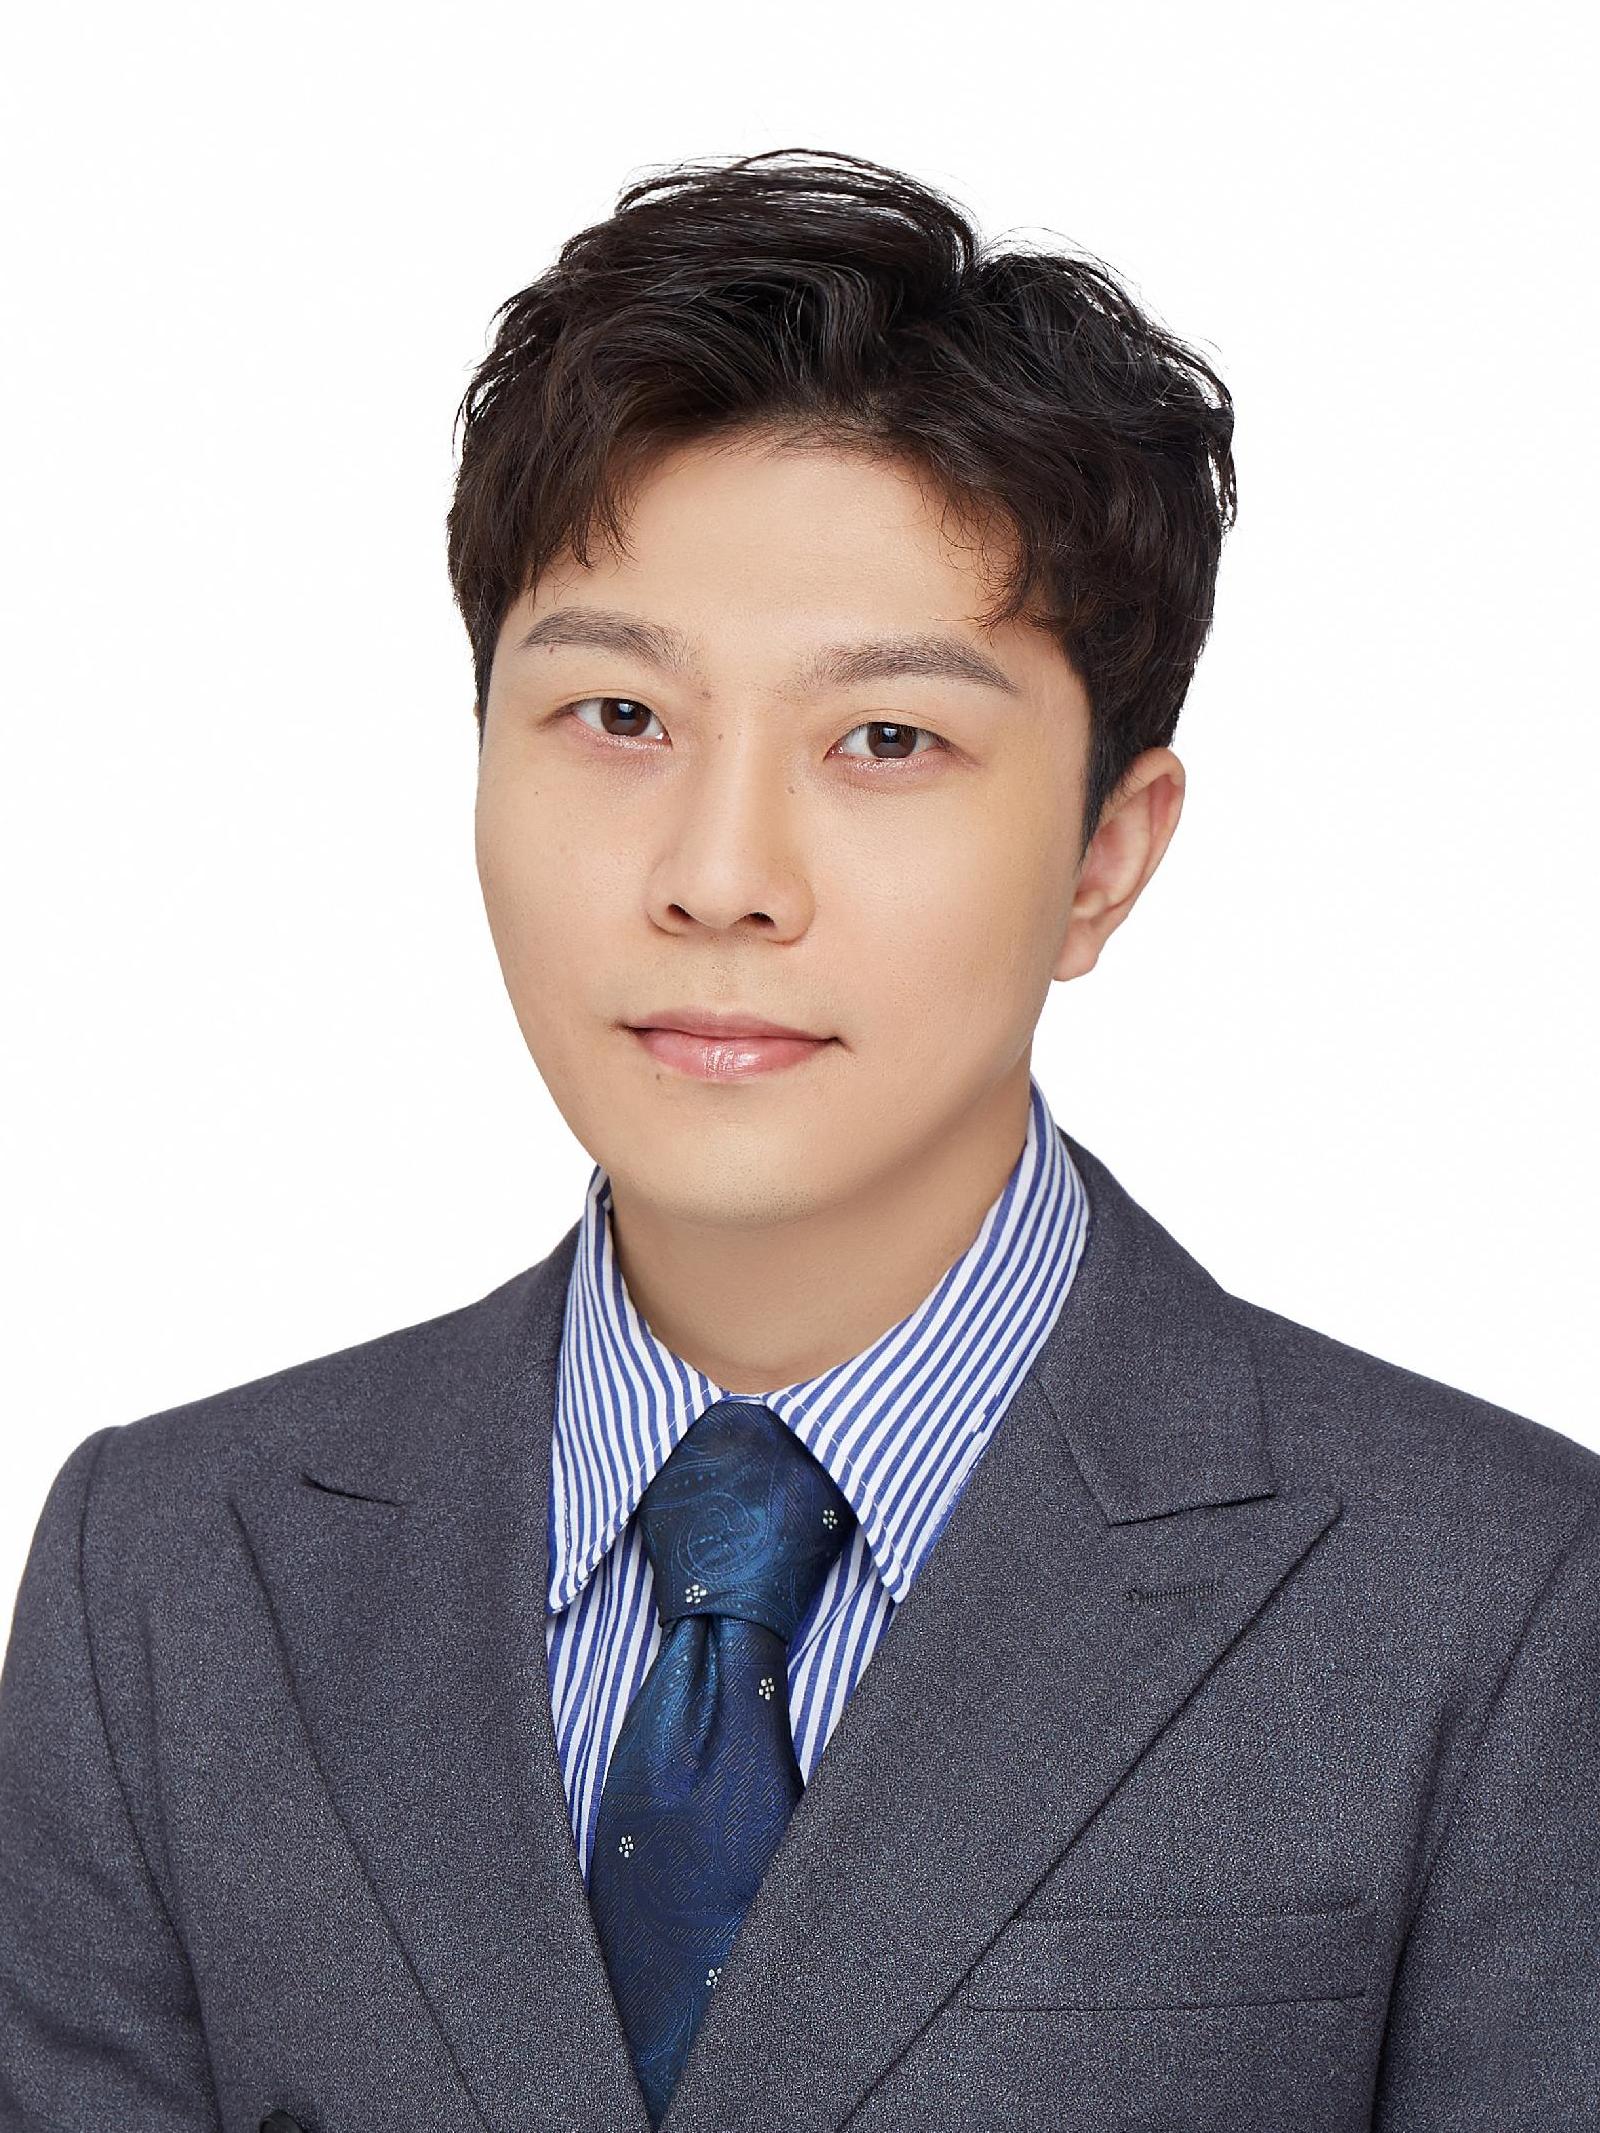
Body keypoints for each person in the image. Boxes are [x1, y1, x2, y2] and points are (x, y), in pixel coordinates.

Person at [1, 147, 1595, 2133]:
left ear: (1105, 854)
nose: (719, 873)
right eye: (616, 716)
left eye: (886, 739)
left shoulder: (1501, 1598)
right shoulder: (168, 1569)